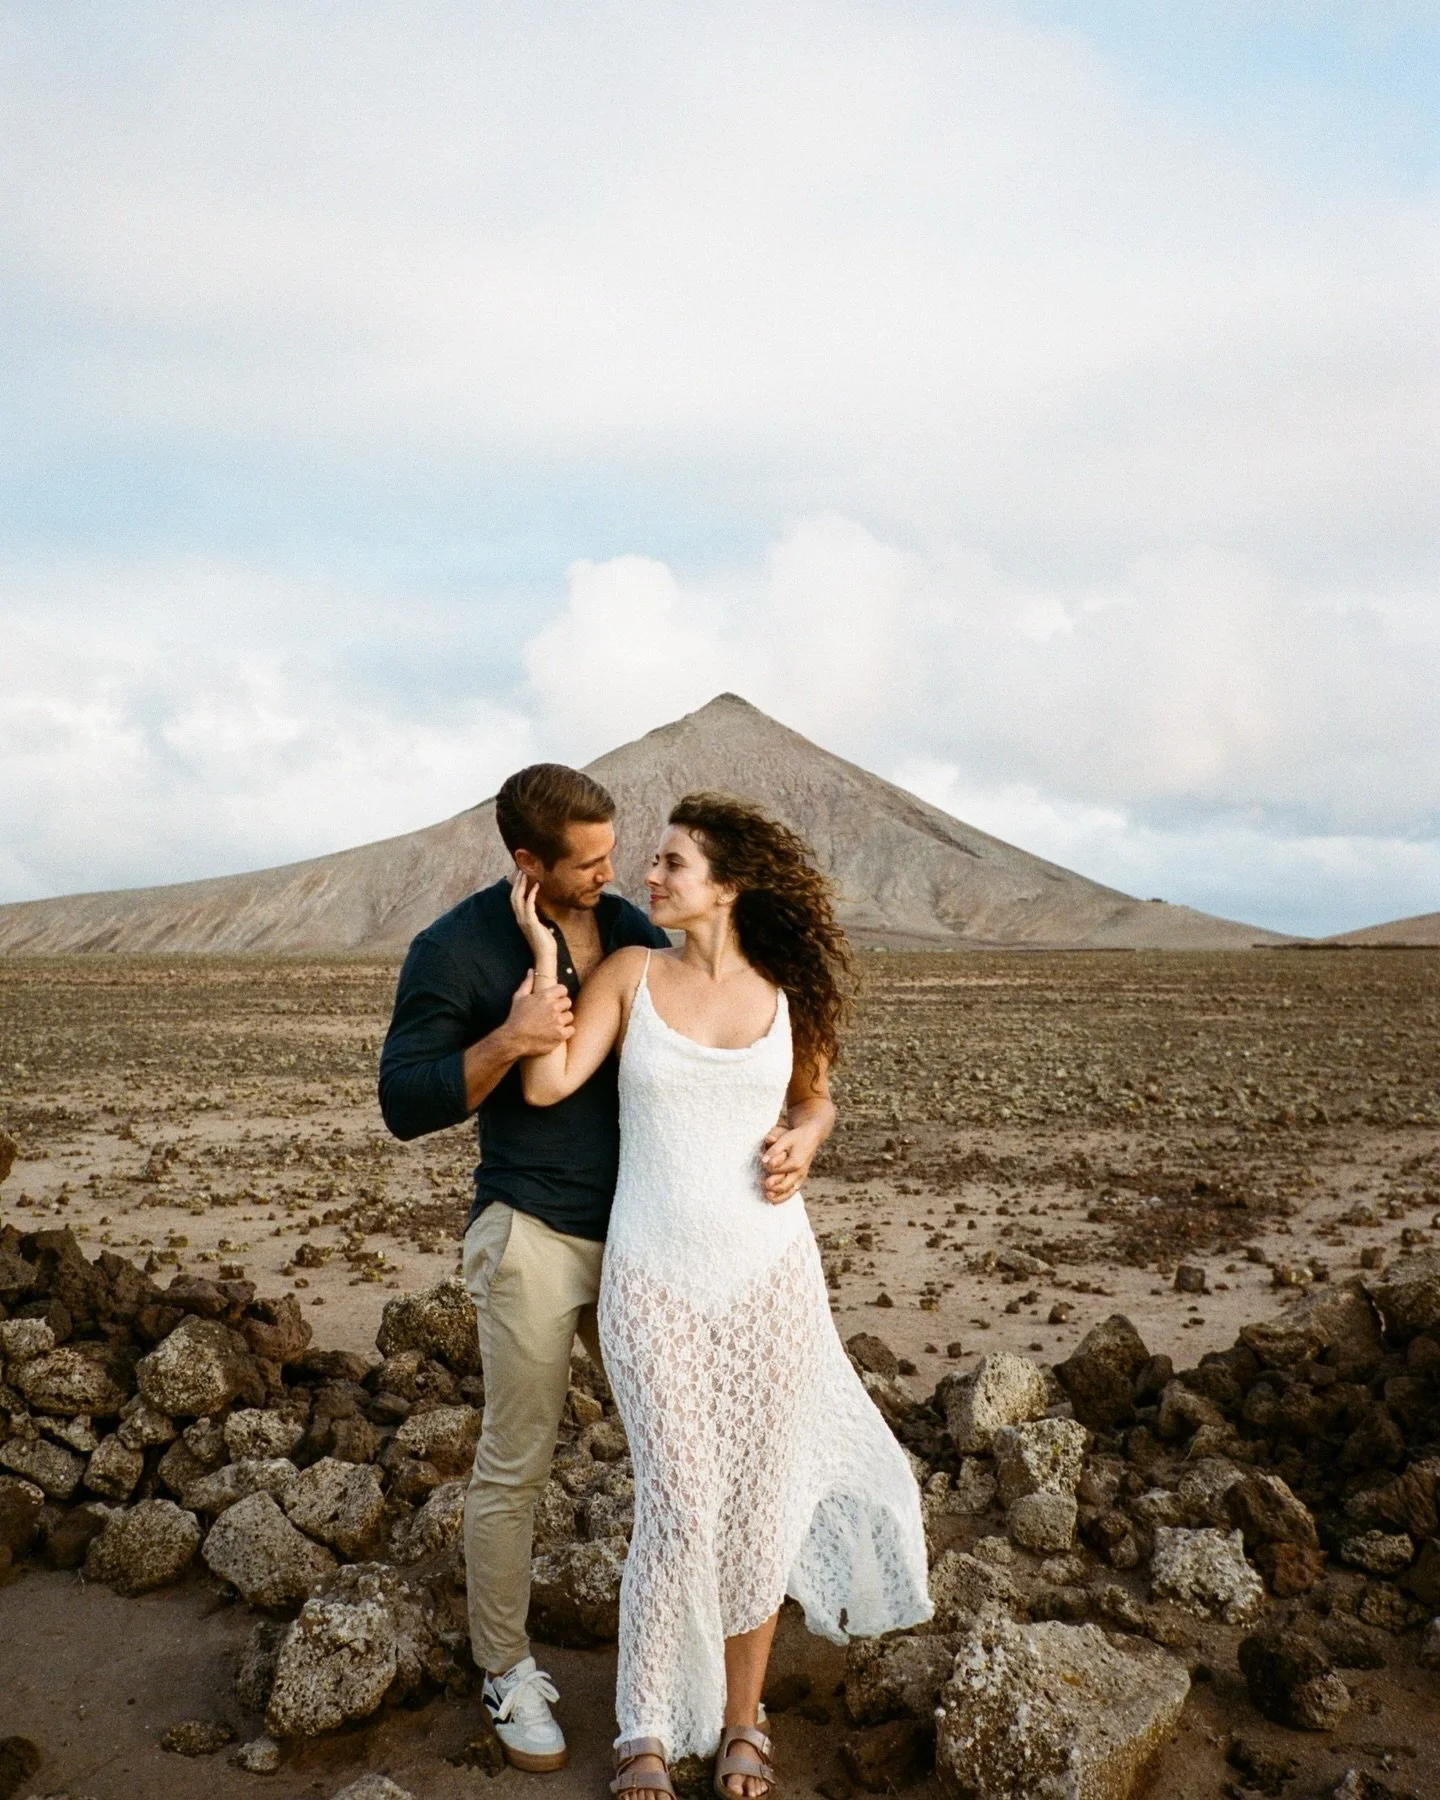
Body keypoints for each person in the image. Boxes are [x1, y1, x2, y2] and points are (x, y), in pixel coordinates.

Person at [510, 792, 931, 1800]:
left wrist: (811, 1136)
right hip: (651, 1278)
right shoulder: (629, 973)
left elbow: (815, 1092)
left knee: (756, 1507)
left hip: (770, 1279)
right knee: (682, 1501)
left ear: (727, 886)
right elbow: (547, 1083)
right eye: (651, 863)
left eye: (672, 865)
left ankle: (746, 1718)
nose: (649, 880)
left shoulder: (786, 993)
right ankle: (644, 1729)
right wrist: (538, 958)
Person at [376, 763, 676, 1772]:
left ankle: (678, 1665)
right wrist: (508, 1038)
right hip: (531, 1232)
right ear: (526, 862)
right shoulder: (453, 948)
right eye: (586, 862)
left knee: (673, 1450)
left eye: (612, 853)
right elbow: (404, 1100)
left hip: (640, 1232)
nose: (609, 872)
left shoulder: (633, 927)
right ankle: (504, 1667)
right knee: (519, 1457)